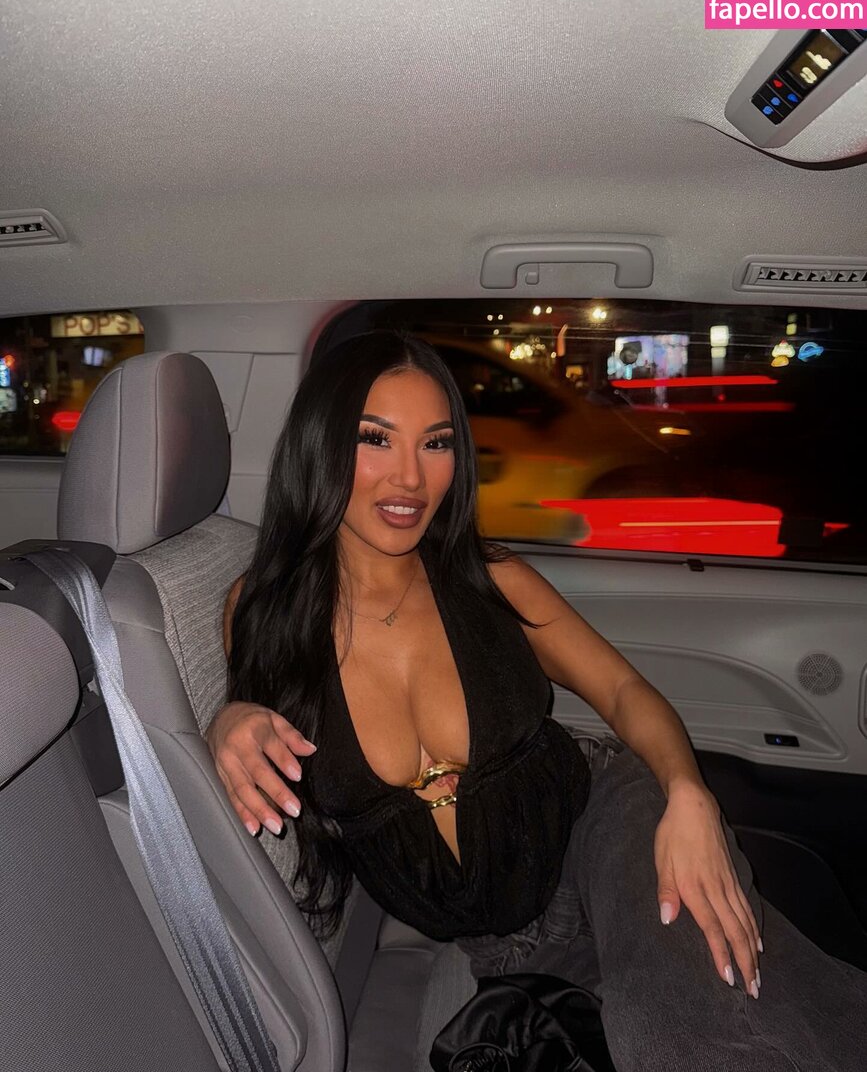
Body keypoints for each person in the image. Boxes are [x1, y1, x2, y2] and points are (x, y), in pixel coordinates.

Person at [206, 332, 867, 1071]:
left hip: (606, 829)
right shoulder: (261, 615)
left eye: (435, 443)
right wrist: (224, 721)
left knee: (687, 1039)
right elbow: (252, 738)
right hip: (502, 948)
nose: (410, 478)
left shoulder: (492, 581)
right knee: (775, 1009)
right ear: (319, 444)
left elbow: (623, 690)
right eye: (375, 439)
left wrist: (688, 797)